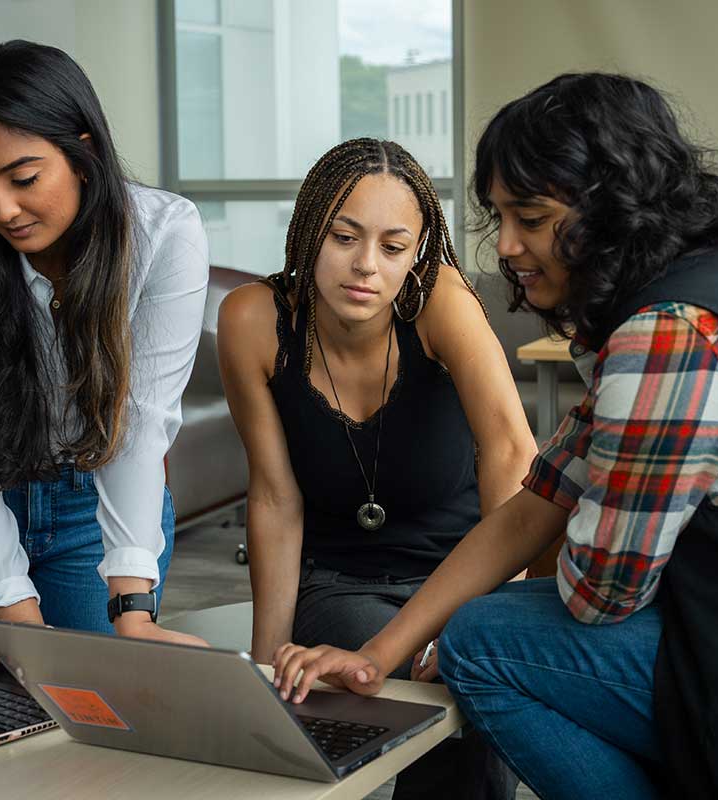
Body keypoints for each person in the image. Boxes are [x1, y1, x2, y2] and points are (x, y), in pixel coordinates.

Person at [270, 74, 718, 800]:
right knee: (491, 628)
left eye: (531, 217)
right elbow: (536, 503)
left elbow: (600, 593)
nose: (511, 248)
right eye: (501, 217)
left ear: (619, 207)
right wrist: (379, 652)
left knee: (482, 643)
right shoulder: (717, 287)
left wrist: (457, 624)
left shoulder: (668, 338)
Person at [217, 138, 536, 799]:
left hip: (458, 572)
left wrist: (495, 618)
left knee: (470, 683)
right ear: (309, 231)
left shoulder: (441, 301)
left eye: (393, 248)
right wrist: (264, 667)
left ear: (417, 254)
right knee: (410, 687)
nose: (366, 266)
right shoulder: (253, 320)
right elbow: (275, 499)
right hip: (339, 584)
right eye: (343, 237)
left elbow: (511, 453)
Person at [0, 40, 209, 656]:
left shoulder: (163, 237)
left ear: (82, 150)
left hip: (90, 502)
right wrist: (10, 605)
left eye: (24, 178)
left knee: (92, 715)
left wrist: (133, 609)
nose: (2, 210)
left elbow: (137, 428)